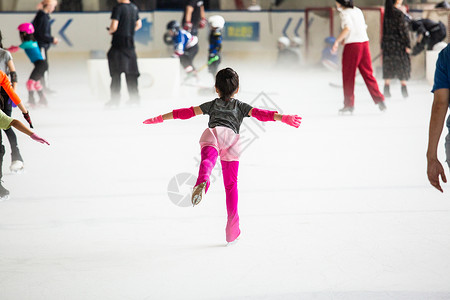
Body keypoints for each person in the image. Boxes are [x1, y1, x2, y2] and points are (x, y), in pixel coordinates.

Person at [142, 67, 302, 245]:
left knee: (207, 161)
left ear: (216, 88)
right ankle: (232, 230)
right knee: (231, 186)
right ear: (237, 88)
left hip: (214, 134)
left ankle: (203, 180)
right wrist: (283, 117)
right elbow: (260, 114)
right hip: (232, 140)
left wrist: (160, 118)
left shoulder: (211, 105)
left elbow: (185, 112)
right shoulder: (241, 107)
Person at [0, 70, 49, 200]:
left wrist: (25, 113)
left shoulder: (5, 56)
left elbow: (11, 88)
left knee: (5, 131)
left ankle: (17, 157)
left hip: (5, 98)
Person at [332, 0, 386, 114]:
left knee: (348, 76)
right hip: (364, 43)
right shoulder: (357, 10)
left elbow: (348, 28)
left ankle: (348, 104)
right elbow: (362, 27)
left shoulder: (344, 13)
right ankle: (380, 100)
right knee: (368, 73)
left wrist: (337, 41)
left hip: (352, 46)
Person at [0, 30, 34, 173]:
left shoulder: (4, 53)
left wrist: (13, 91)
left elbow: (13, 74)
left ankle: (17, 156)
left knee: (7, 124)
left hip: (4, 92)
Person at [106, 0, 142, 107]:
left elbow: (114, 26)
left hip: (118, 45)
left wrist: (111, 31)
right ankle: (134, 98)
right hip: (130, 45)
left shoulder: (118, 8)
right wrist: (130, 30)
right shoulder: (134, 7)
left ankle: (115, 100)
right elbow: (139, 24)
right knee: (132, 74)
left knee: (116, 75)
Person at [10, 23, 49, 107]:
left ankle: (32, 102)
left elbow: (14, 49)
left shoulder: (27, 43)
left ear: (24, 33)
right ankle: (43, 100)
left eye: (20, 33)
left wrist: (3, 49)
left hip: (40, 64)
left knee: (30, 83)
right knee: (36, 83)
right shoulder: (32, 42)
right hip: (41, 64)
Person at [382, 0, 411, 98]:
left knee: (388, 66)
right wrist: (408, 44)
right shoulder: (399, 13)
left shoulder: (387, 13)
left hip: (387, 44)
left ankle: (386, 89)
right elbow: (403, 30)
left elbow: (384, 30)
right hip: (399, 45)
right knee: (402, 66)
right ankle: (404, 89)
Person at [32, 0, 59, 92]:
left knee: (42, 66)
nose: (54, 9)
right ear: (48, 6)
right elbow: (41, 34)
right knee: (43, 66)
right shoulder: (42, 17)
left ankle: (41, 86)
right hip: (41, 45)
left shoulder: (42, 16)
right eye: (53, 6)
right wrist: (52, 39)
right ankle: (44, 87)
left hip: (41, 45)